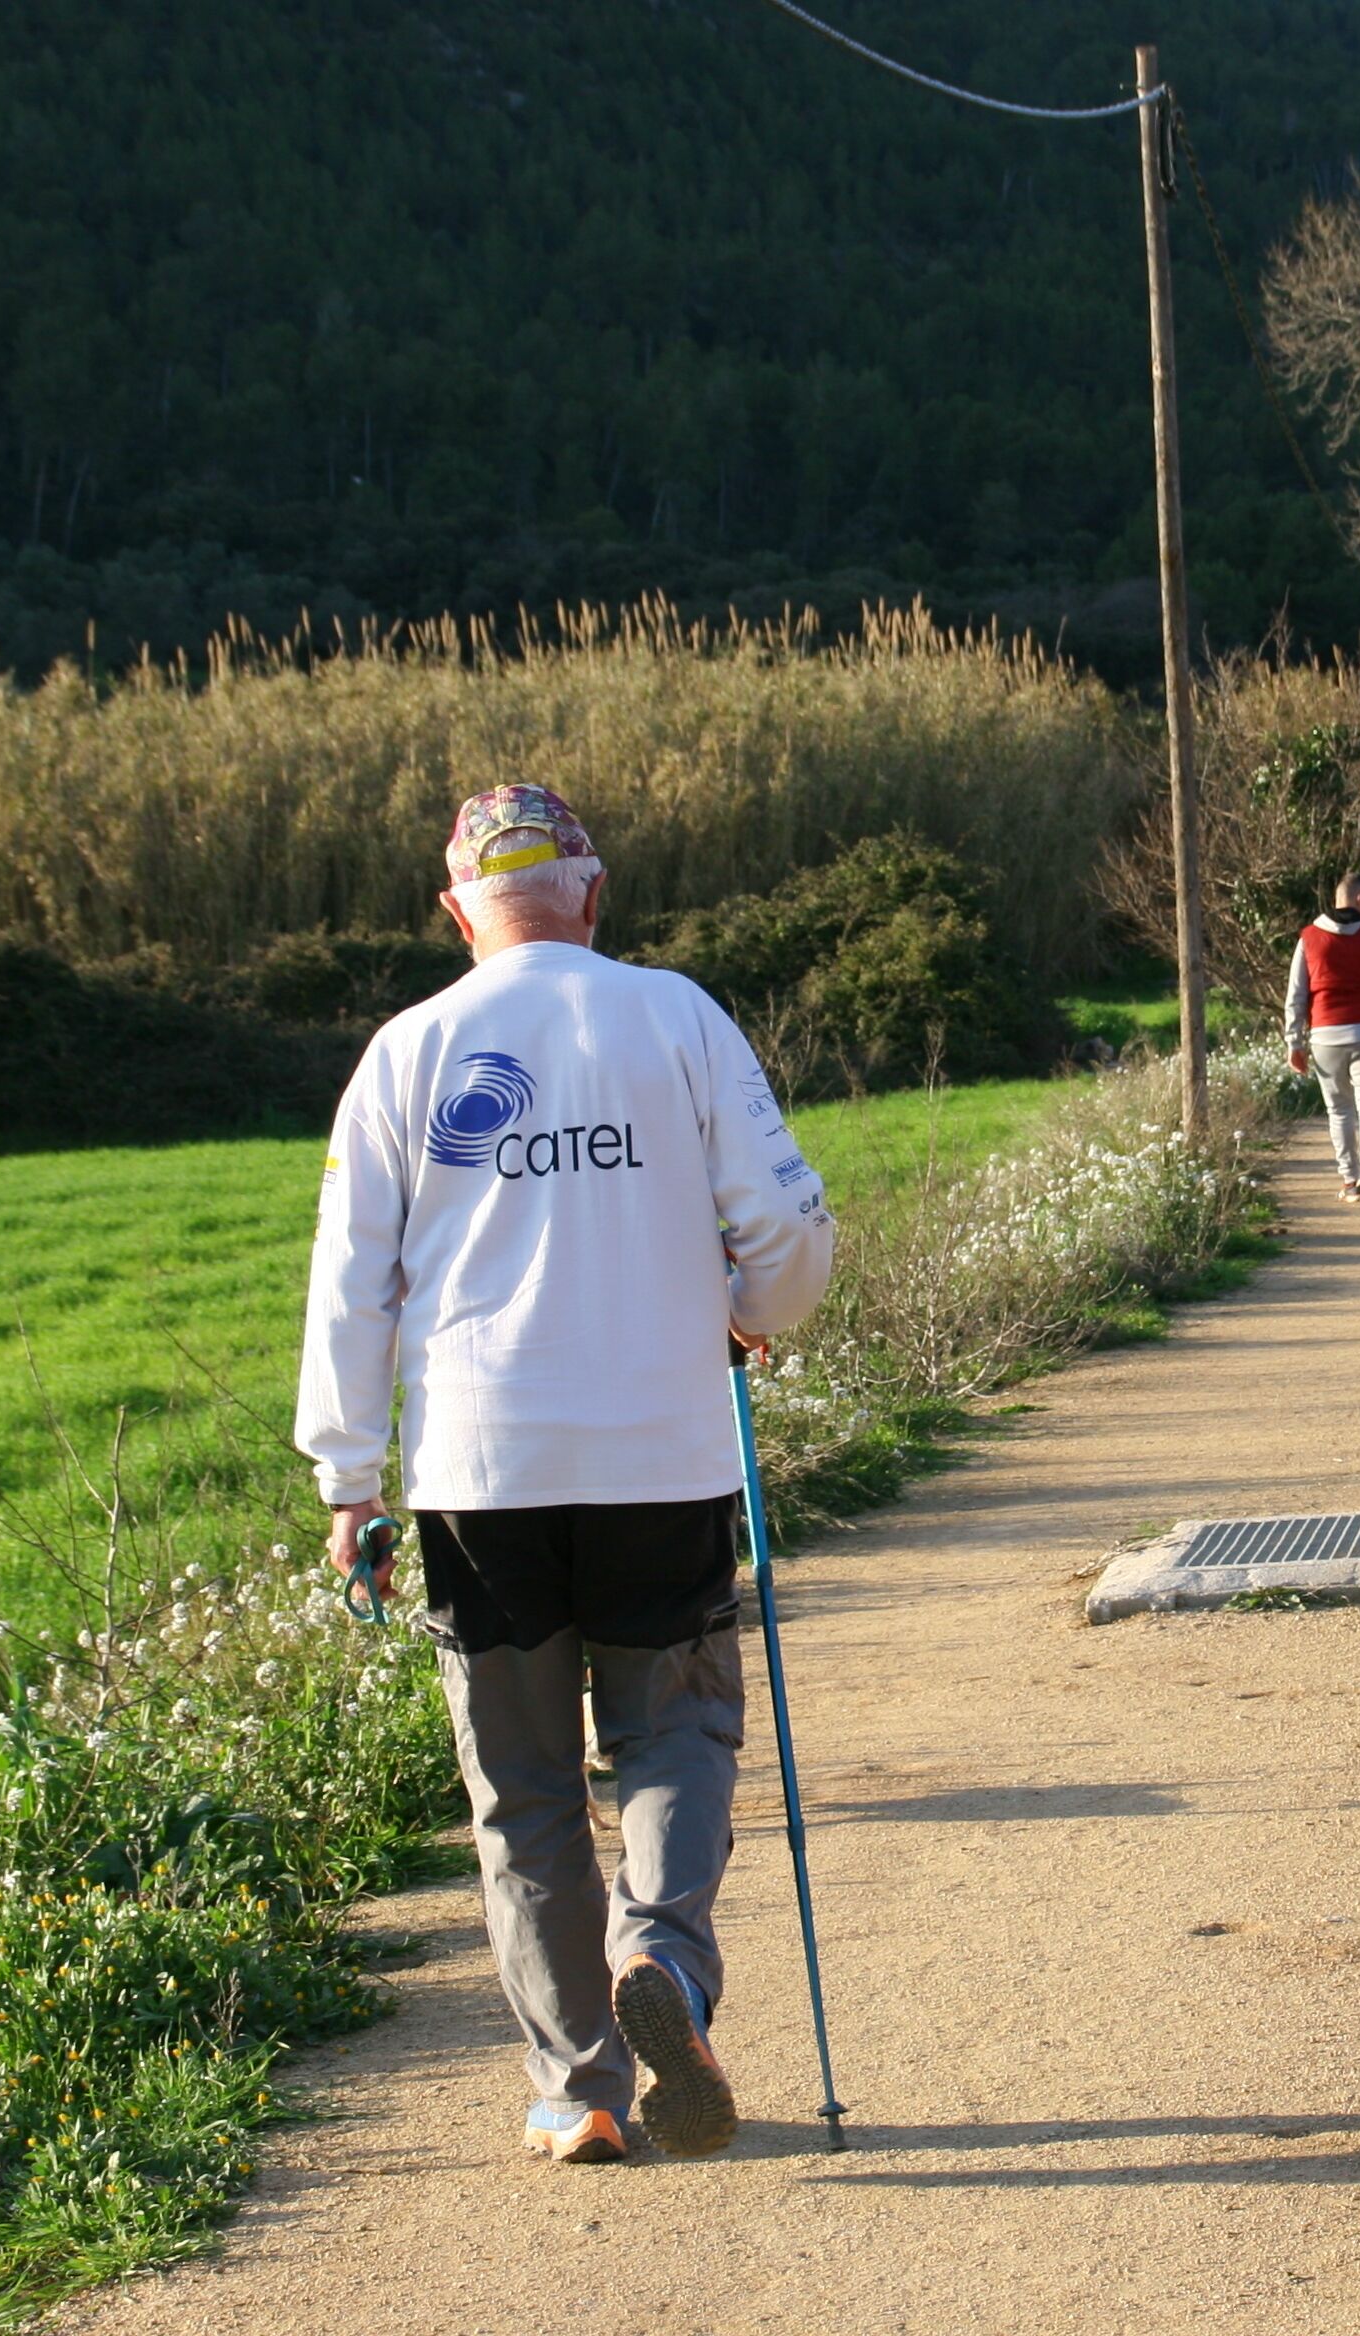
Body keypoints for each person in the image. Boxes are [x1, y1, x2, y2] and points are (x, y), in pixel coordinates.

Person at [296, 783, 837, 2168]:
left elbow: (352, 1285)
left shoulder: (405, 1052)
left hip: (480, 1473)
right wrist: (752, 1313)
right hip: (660, 1453)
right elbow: (783, 1219)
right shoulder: (673, 1014)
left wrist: (349, 1480)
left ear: (457, 912)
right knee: (675, 1733)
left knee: (521, 1786)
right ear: (594, 895)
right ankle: (663, 1956)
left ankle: (582, 2085)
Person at [1281, 872, 1360, 1203]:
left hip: (1325, 1035)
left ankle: (1349, 1180)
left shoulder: (1308, 938)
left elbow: (1295, 994)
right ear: (1357, 899)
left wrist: (1294, 1042)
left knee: (1338, 1110)